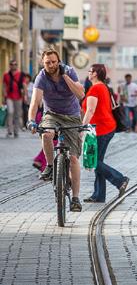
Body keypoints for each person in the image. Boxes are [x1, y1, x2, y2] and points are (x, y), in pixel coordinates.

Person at [27, 49, 85, 212]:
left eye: (53, 62)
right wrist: (31, 120)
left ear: (58, 61)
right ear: (43, 63)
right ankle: (51, 166)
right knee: (46, 134)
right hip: (51, 114)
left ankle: (75, 198)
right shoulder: (41, 77)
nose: (51, 65)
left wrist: (65, 76)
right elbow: (35, 101)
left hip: (72, 116)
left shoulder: (69, 71)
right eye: (47, 62)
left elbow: (81, 94)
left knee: (73, 158)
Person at [82, 64, 129, 203]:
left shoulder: (95, 88)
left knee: (94, 161)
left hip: (101, 129)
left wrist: (82, 128)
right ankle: (99, 195)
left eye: (90, 71)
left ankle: (120, 180)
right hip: (106, 127)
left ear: (95, 74)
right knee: (98, 161)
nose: (88, 73)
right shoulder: (104, 87)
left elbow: (90, 110)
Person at [2, 60, 26, 138]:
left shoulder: (21, 75)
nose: (13, 66)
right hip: (9, 97)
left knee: (17, 115)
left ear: (17, 65)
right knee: (10, 112)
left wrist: (24, 96)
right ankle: (9, 131)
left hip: (18, 97)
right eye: (12, 64)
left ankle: (16, 131)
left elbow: (24, 85)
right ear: (10, 65)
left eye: (15, 64)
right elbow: (4, 85)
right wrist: (4, 95)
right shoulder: (6, 75)